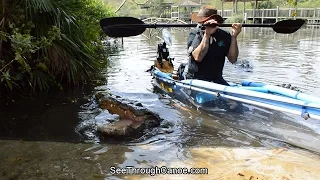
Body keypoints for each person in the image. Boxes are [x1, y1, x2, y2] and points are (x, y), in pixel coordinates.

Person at [182, 5, 242, 86]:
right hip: (196, 80)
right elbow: (198, 57)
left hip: (217, 80)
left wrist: (234, 37)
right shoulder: (195, 34)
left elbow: (233, 59)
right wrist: (207, 34)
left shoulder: (225, 35)